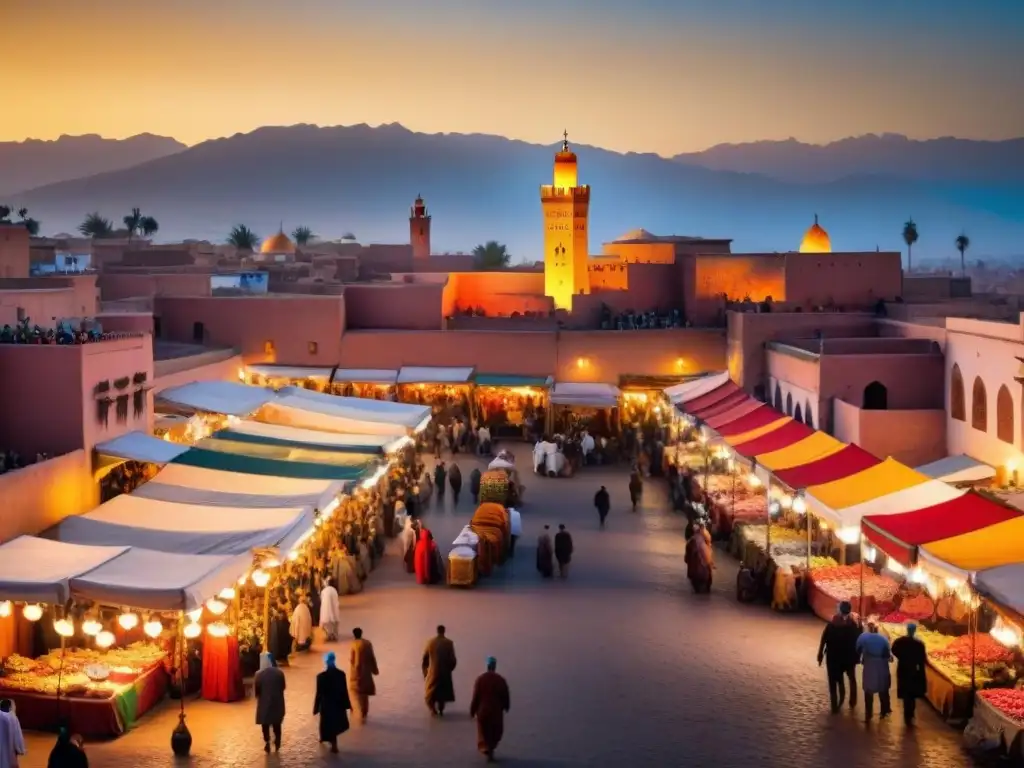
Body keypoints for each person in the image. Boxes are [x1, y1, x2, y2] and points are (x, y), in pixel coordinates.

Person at [817, 601, 862, 713]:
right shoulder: (854, 625)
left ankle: (834, 705)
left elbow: (824, 638)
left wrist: (820, 654)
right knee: (851, 678)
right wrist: (858, 656)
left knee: (833, 680)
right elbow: (859, 641)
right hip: (848, 657)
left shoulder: (832, 624)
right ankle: (852, 701)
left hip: (833, 657)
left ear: (840, 610)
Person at [470, 657, 511, 763]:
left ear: (487, 666)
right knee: (495, 732)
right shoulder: (501, 680)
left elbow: (476, 697)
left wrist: (472, 710)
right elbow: (506, 696)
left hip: (483, 712)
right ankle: (491, 750)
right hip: (496, 712)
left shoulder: (480, 679)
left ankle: (486, 749)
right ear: (494, 666)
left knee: (483, 732)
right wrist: (506, 706)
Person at [313, 652, 352, 754]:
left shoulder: (321, 677)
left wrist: (316, 708)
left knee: (326, 724)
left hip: (326, 705)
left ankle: (330, 742)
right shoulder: (341, 674)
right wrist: (348, 704)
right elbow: (344, 690)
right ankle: (331, 742)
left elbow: (319, 693)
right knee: (334, 724)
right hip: (337, 703)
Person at [855, 621, 893, 721]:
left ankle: (868, 714)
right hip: (882, 667)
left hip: (869, 667)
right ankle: (884, 711)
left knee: (868, 691)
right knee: (883, 689)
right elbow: (888, 655)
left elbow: (857, 650)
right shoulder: (883, 639)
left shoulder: (863, 638)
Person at [891, 622, 927, 725]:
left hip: (903, 669)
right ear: (914, 631)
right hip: (914, 670)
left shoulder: (900, 641)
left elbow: (893, 650)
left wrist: (900, 657)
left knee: (905, 692)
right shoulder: (919, 644)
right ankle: (910, 713)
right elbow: (922, 659)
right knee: (912, 693)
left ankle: (907, 714)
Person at [422, 625, 457, 716]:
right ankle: (441, 711)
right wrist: (449, 669)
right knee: (443, 694)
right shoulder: (449, 643)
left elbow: (425, 659)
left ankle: (433, 711)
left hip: (433, 672)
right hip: (445, 673)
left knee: (429, 694)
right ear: (444, 631)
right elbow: (453, 660)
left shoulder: (430, 642)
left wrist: (425, 672)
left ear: (437, 631)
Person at [254, 652, 286, 753]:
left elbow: (257, 691)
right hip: (277, 702)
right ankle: (277, 741)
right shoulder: (279, 673)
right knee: (277, 723)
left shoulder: (258, 675)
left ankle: (267, 742)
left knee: (265, 724)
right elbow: (283, 687)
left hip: (264, 704)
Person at [349, 627, 379, 724]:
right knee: (365, 695)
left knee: (355, 692)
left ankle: (357, 712)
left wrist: (355, 672)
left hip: (357, 673)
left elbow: (353, 660)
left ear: (354, 635)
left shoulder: (354, 644)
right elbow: (372, 658)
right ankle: (364, 713)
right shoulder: (368, 643)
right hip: (366, 672)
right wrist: (375, 670)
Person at [684, 523, 713, 593]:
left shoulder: (691, 542)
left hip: (697, 572)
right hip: (705, 572)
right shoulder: (703, 538)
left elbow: (686, 559)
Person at [319, 578, 341, 642]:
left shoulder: (324, 591)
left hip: (325, 611)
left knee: (326, 624)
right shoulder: (334, 590)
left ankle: (328, 635)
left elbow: (322, 600)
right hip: (334, 610)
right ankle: (334, 635)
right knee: (334, 622)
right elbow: (336, 601)